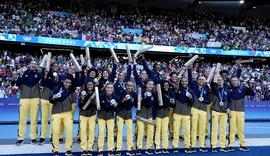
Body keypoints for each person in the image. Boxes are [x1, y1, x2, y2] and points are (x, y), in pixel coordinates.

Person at [15, 59, 44, 145]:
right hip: (24, 98)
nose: (33, 65)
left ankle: (33, 138)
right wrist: (20, 76)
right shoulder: (24, 73)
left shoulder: (38, 74)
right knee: (22, 119)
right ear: (29, 64)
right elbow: (17, 84)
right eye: (32, 63)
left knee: (34, 119)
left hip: (35, 99)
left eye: (35, 64)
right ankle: (20, 138)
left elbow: (43, 75)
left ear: (37, 65)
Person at [227, 76, 255, 152]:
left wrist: (248, 87)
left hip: (241, 111)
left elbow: (253, 93)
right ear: (231, 82)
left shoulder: (243, 89)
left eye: (235, 80)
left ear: (238, 81)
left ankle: (242, 145)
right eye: (232, 81)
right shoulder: (228, 89)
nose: (234, 82)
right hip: (232, 111)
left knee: (241, 129)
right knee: (232, 129)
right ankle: (230, 145)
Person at [50, 76, 76, 156]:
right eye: (66, 82)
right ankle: (55, 150)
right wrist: (53, 97)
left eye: (69, 83)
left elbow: (78, 80)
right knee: (55, 131)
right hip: (56, 113)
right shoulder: (57, 89)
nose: (67, 84)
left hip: (67, 113)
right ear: (63, 81)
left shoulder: (71, 90)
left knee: (69, 131)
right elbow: (50, 100)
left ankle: (68, 149)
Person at [188, 67, 211, 153]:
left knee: (202, 129)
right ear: (197, 81)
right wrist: (190, 69)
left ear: (204, 81)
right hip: (194, 109)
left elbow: (209, 101)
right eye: (199, 79)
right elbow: (190, 79)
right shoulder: (194, 87)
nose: (201, 80)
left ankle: (202, 145)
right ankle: (193, 145)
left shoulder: (206, 90)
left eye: (202, 79)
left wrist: (204, 100)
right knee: (193, 128)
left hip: (203, 110)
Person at [172, 77, 194, 154]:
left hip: (186, 114)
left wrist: (191, 98)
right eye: (183, 81)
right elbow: (175, 86)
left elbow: (192, 103)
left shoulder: (191, 91)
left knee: (187, 131)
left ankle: (187, 146)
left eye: (185, 81)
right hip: (177, 113)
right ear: (181, 82)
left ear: (187, 82)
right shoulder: (178, 89)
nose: (184, 82)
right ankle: (175, 146)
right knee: (176, 131)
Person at [38, 62, 59, 144]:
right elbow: (42, 83)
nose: (55, 67)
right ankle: (42, 137)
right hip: (44, 99)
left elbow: (59, 85)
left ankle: (52, 136)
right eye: (54, 66)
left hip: (53, 100)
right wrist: (45, 75)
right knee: (44, 119)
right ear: (51, 67)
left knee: (53, 119)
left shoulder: (59, 76)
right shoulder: (46, 74)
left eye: (57, 66)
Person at [115, 81, 137, 156]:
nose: (129, 87)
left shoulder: (135, 94)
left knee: (130, 132)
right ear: (126, 86)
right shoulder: (121, 93)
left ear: (133, 86)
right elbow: (117, 104)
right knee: (119, 131)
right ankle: (118, 148)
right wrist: (123, 100)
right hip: (120, 114)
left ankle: (129, 148)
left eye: (131, 86)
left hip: (129, 114)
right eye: (128, 85)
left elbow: (136, 105)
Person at [136, 79, 157, 155]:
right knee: (141, 132)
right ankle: (139, 147)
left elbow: (155, 107)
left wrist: (154, 118)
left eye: (152, 84)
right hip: (141, 115)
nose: (150, 86)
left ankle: (148, 147)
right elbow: (137, 104)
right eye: (149, 84)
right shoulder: (141, 92)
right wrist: (143, 97)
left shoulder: (154, 94)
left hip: (150, 116)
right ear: (146, 85)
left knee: (151, 131)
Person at [210, 76, 231, 152]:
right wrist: (215, 75)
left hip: (224, 112)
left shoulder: (227, 90)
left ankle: (223, 145)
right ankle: (213, 145)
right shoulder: (215, 89)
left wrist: (229, 108)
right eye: (218, 80)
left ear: (223, 81)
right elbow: (212, 83)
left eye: (221, 80)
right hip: (215, 111)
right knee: (214, 129)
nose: (220, 81)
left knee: (223, 130)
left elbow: (229, 101)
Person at [97, 83, 119, 156]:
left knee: (110, 132)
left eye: (111, 88)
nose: (110, 89)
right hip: (101, 116)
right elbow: (105, 107)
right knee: (101, 132)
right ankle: (100, 149)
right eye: (108, 87)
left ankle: (111, 149)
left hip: (110, 116)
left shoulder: (115, 97)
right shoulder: (101, 96)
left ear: (113, 89)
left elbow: (117, 109)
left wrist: (115, 106)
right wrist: (111, 104)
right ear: (105, 88)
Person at [154, 81, 175, 154]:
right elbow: (156, 104)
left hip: (166, 113)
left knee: (165, 130)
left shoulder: (171, 93)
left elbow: (173, 105)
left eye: (167, 85)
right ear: (162, 86)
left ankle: (165, 147)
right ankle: (157, 147)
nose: (166, 86)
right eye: (164, 85)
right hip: (158, 113)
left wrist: (172, 103)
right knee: (158, 130)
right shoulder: (159, 93)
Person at [78, 81, 97, 156]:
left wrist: (95, 101)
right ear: (86, 86)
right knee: (83, 131)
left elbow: (97, 106)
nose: (90, 86)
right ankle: (84, 149)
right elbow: (80, 106)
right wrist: (82, 99)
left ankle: (90, 148)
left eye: (91, 85)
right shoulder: (82, 93)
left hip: (92, 114)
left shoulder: (96, 94)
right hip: (83, 115)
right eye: (88, 84)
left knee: (91, 131)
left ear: (93, 86)